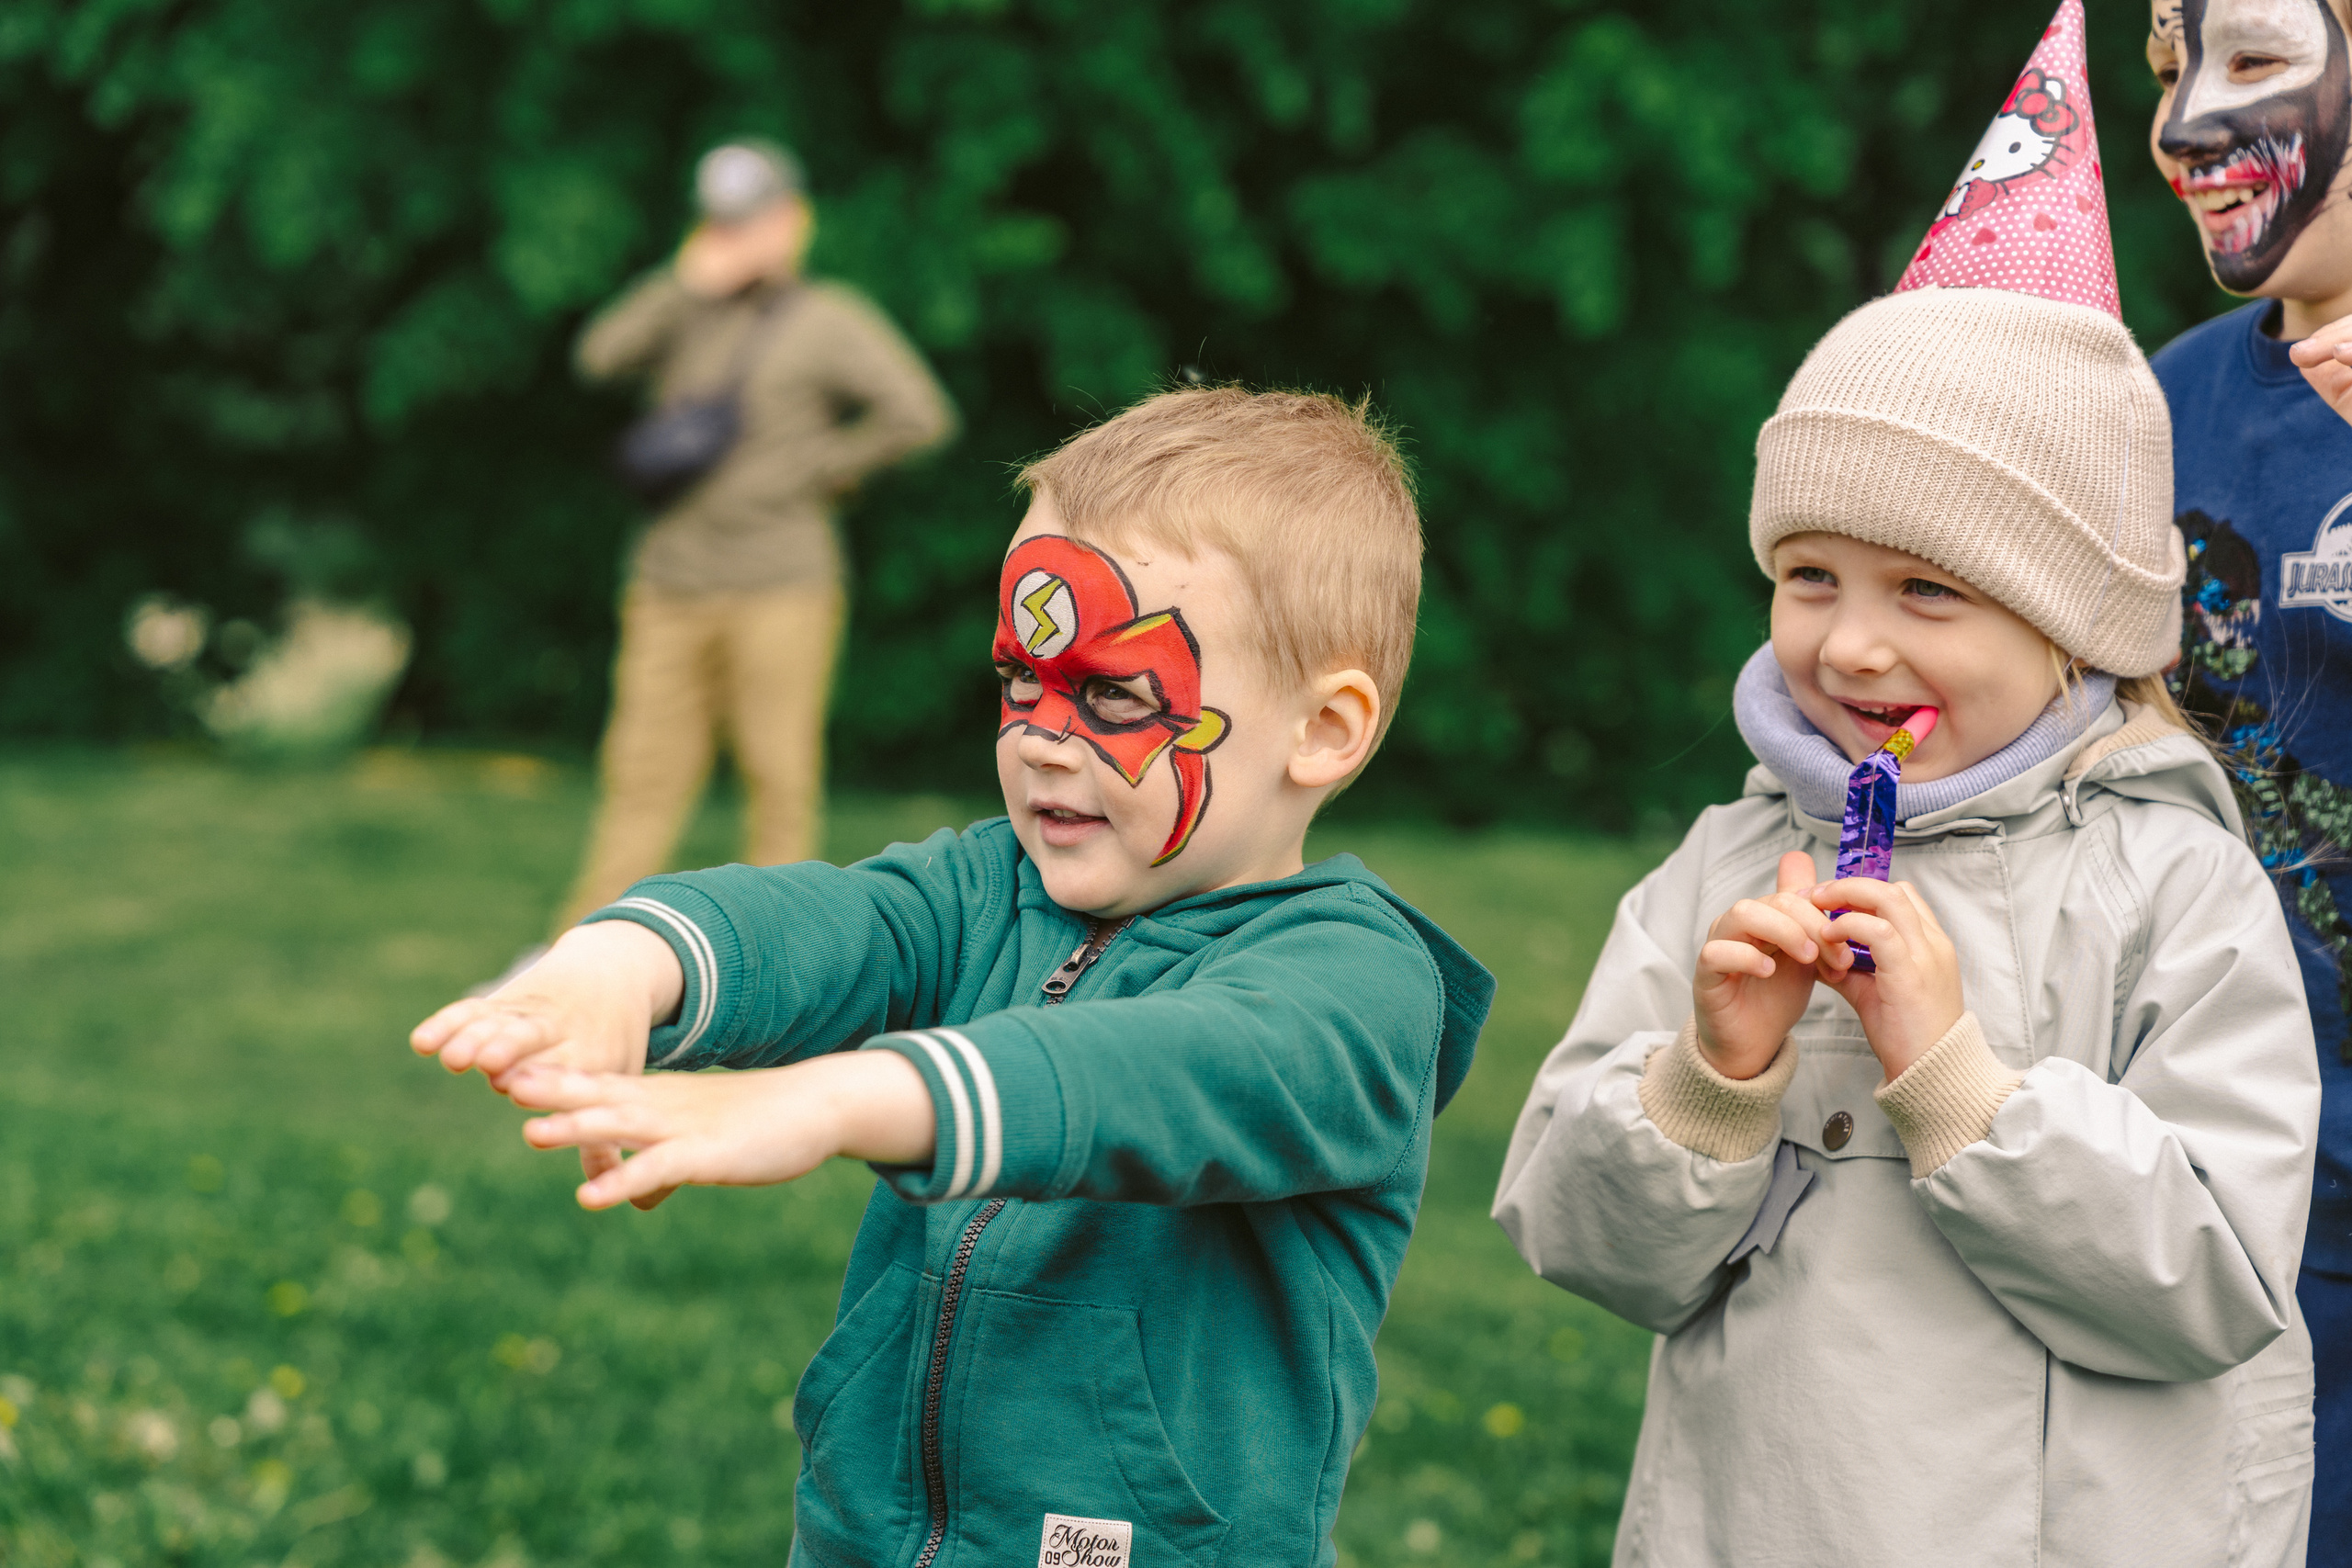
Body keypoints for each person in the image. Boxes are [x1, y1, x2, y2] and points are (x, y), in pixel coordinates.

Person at [1494, 5, 2320, 1562]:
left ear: (2073, 617)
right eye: (1809, 575)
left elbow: (2215, 1276)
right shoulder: (1731, 861)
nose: (1852, 642)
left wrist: (1955, 1081)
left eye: (1927, 589)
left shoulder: (2171, 879)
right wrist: (1713, 1075)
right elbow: (1580, 1234)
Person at [411, 387, 1496, 1567]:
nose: (1040, 737)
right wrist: (622, 964)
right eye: (1021, 678)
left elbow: (1159, 1076)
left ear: (1324, 730)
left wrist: (850, 1098)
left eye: (1113, 694)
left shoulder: (1358, 986)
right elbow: (832, 924)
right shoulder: (986, 891)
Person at [2144, 3, 2352, 1553]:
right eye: (2167, 72)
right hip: (2233, 1169)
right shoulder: (2164, 401)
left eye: (2256, 58)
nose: (2183, 123)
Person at [558, 140, 956, 931]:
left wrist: (822, 466)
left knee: (779, 777)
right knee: (640, 775)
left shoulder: (830, 318)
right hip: (668, 580)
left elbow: (920, 415)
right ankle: (587, 945)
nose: (739, 237)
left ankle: (780, 955)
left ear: (793, 221)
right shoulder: (681, 311)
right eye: (724, 222)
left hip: (784, 583)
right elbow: (596, 358)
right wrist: (679, 283)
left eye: (754, 220)